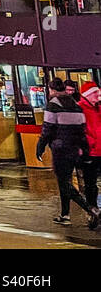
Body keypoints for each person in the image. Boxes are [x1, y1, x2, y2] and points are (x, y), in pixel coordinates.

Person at [36, 78, 100, 227]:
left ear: (51, 90)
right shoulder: (74, 105)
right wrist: (83, 147)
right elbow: (81, 128)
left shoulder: (53, 104)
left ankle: (90, 209)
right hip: (75, 149)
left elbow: (47, 128)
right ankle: (65, 214)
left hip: (61, 150)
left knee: (64, 183)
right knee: (66, 182)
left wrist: (40, 146)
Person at [78, 82, 101, 214]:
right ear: (87, 95)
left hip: (100, 149)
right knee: (90, 183)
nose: (97, 95)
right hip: (90, 152)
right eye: (94, 93)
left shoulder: (99, 108)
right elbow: (78, 131)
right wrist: (88, 143)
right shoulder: (80, 108)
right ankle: (92, 209)